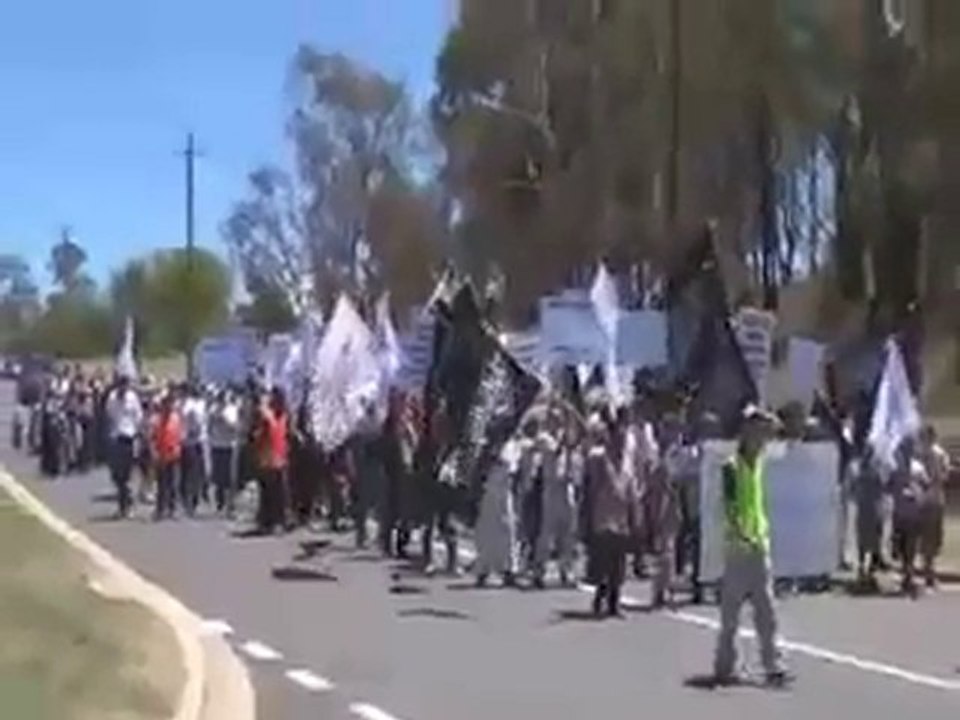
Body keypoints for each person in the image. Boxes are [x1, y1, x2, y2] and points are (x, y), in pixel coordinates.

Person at [712, 406, 790, 687]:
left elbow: (780, 427)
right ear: (746, 433)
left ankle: (774, 666)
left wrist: (768, 418)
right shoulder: (731, 466)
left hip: (758, 545)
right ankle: (724, 665)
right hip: (738, 548)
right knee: (730, 614)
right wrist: (741, 533)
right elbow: (731, 506)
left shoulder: (759, 462)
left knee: (767, 611)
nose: (763, 439)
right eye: (758, 433)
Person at [583, 415, 637, 618]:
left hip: (621, 515)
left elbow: (631, 485)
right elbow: (591, 487)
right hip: (603, 515)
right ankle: (599, 596)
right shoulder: (598, 458)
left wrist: (634, 511)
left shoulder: (627, 461)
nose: (621, 441)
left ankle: (614, 603)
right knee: (603, 561)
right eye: (617, 437)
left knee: (619, 563)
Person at [532, 407, 580, 588]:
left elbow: (576, 443)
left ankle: (566, 571)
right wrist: (566, 437)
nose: (557, 422)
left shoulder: (565, 435)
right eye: (554, 419)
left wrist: (573, 417)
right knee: (547, 533)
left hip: (566, 487)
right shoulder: (544, 438)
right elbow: (557, 450)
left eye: (559, 419)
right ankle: (539, 571)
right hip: (551, 489)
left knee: (568, 533)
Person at [474, 439, 520, 588]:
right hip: (490, 492)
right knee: (486, 530)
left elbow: (513, 471)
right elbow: (480, 468)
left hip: (505, 493)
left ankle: (509, 570)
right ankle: (483, 570)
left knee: (507, 530)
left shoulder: (512, 445)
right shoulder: (486, 444)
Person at [890, 437, 930, 596]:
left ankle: (908, 575)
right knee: (907, 546)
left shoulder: (905, 467)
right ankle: (908, 574)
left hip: (906, 512)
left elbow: (888, 485)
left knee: (906, 545)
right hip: (907, 512)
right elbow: (926, 484)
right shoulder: (914, 467)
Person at [105, 375, 144, 518]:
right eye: (121, 385)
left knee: (128, 475)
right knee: (118, 476)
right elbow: (109, 415)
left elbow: (138, 417)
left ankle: (129, 506)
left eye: (125, 386)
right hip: (116, 437)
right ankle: (121, 506)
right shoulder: (112, 398)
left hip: (129, 437)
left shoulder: (132, 398)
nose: (123, 388)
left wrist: (137, 438)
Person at [255, 387, 291, 534]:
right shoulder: (266, 416)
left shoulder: (285, 417)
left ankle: (278, 521)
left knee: (280, 494)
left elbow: (287, 436)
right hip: (267, 459)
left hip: (280, 459)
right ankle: (266, 521)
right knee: (267, 492)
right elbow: (258, 436)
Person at [918, 425, 949, 588]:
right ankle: (929, 571)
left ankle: (927, 568)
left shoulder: (920, 454)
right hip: (935, 498)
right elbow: (945, 475)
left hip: (924, 499)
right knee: (933, 536)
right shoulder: (940, 454)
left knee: (927, 536)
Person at [209, 389, 242, 517]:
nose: (222, 401)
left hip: (229, 446)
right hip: (217, 445)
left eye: (224, 398)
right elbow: (209, 426)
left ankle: (231, 506)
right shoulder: (213, 410)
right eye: (220, 398)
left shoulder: (232, 410)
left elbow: (237, 428)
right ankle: (220, 504)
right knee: (218, 478)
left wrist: (227, 423)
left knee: (230, 478)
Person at [854, 448, 884, 586]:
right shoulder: (875, 471)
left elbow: (852, 489)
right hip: (873, 508)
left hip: (863, 508)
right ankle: (870, 569)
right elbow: (882, 488)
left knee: (862, 539)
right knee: (874, 539)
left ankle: (861, 567)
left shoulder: (857, 470)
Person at [151, 392, 183, 521]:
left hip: (173, 455)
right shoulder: (157, 420)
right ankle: (160, 509)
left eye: (170, 403)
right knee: (161, 484)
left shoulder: (176, 418)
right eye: (166, 403)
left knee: (173, 484)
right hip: (161, 455)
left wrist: (177, 448)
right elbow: (153, 438)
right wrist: (155, 452)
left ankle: (172, 509)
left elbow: (179, 435)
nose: (168, 406)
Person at [180, 384, 209, 517]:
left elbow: (197, 423)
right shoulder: (184, 405)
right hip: (185, 442)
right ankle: (188, 500)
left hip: (194, 442)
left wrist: (192, 432)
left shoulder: (192, 406)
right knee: (187, 473)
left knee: (192, 473)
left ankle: (192, 501)